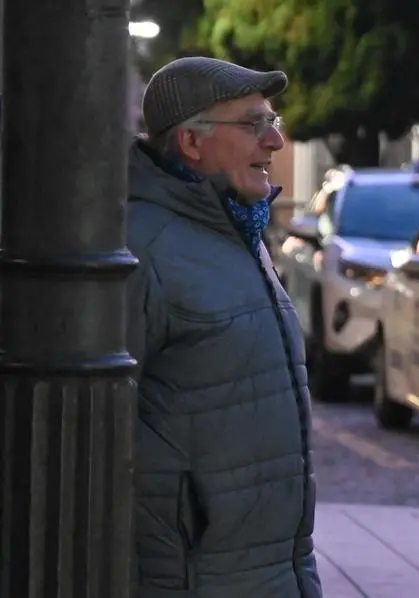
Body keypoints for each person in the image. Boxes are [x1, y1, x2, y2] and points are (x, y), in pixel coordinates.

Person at [126, 57, 322, 598]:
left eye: (274, 123)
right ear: (191, 142)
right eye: (254, 124)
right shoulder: (141, 246)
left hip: (274, 574)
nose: (275, 142)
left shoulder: (239, 233)